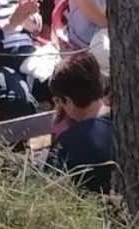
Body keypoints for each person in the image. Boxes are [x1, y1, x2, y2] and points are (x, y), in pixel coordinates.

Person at [39, 52, 114, 191]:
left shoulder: (68, 144)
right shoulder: (124, 122)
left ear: (68, 101)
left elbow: (47, 187)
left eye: (58, 101)